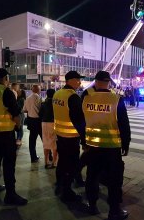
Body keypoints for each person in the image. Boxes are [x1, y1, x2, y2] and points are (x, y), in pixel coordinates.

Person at [82, 71, 130, 220]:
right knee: (114, 180)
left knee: (92, 176)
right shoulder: (116, 98)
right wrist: (126, 144)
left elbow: (79, 119)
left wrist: (84, 141)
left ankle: (92, 205)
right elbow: (124, 124)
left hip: (92, 146)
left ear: (95, 81)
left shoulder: (85, 96)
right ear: (109, 82)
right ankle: (114, 210)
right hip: (112, 147)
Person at [0, 68, 27, 205]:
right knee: (8, 164)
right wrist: (18, 125)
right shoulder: (5, 92)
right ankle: (10, 194)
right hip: (5, 134)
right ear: (5, 78)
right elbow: (15, 114)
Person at [52, 70, 86, 202]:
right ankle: (67, 191)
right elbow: (79, 120)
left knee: (62, 162)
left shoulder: (57, 93)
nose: (79, 82)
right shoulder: (72, 97)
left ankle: (59, 185)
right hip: (71, 137)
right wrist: (84, 139)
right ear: (70, 80)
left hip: (60, 135)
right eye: (77, 79)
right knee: (71, 164)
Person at [39, 89, 58, 169]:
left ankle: (46, 162)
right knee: (54, 144)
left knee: (46, 143)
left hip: (44, 124)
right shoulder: (56, 104)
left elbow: (40, 114)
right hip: (53, 123)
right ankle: (54, 162)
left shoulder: (43, 104)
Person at [23, 84, 42, 162]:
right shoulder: (39, 98)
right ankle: (50, 156)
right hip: (38, 121)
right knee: (44, 139)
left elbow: (24, 110)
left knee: (32, 140)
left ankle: (33, 157)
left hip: (31, 121)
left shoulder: (28, 98)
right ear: (38, 90)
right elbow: (41, 109)